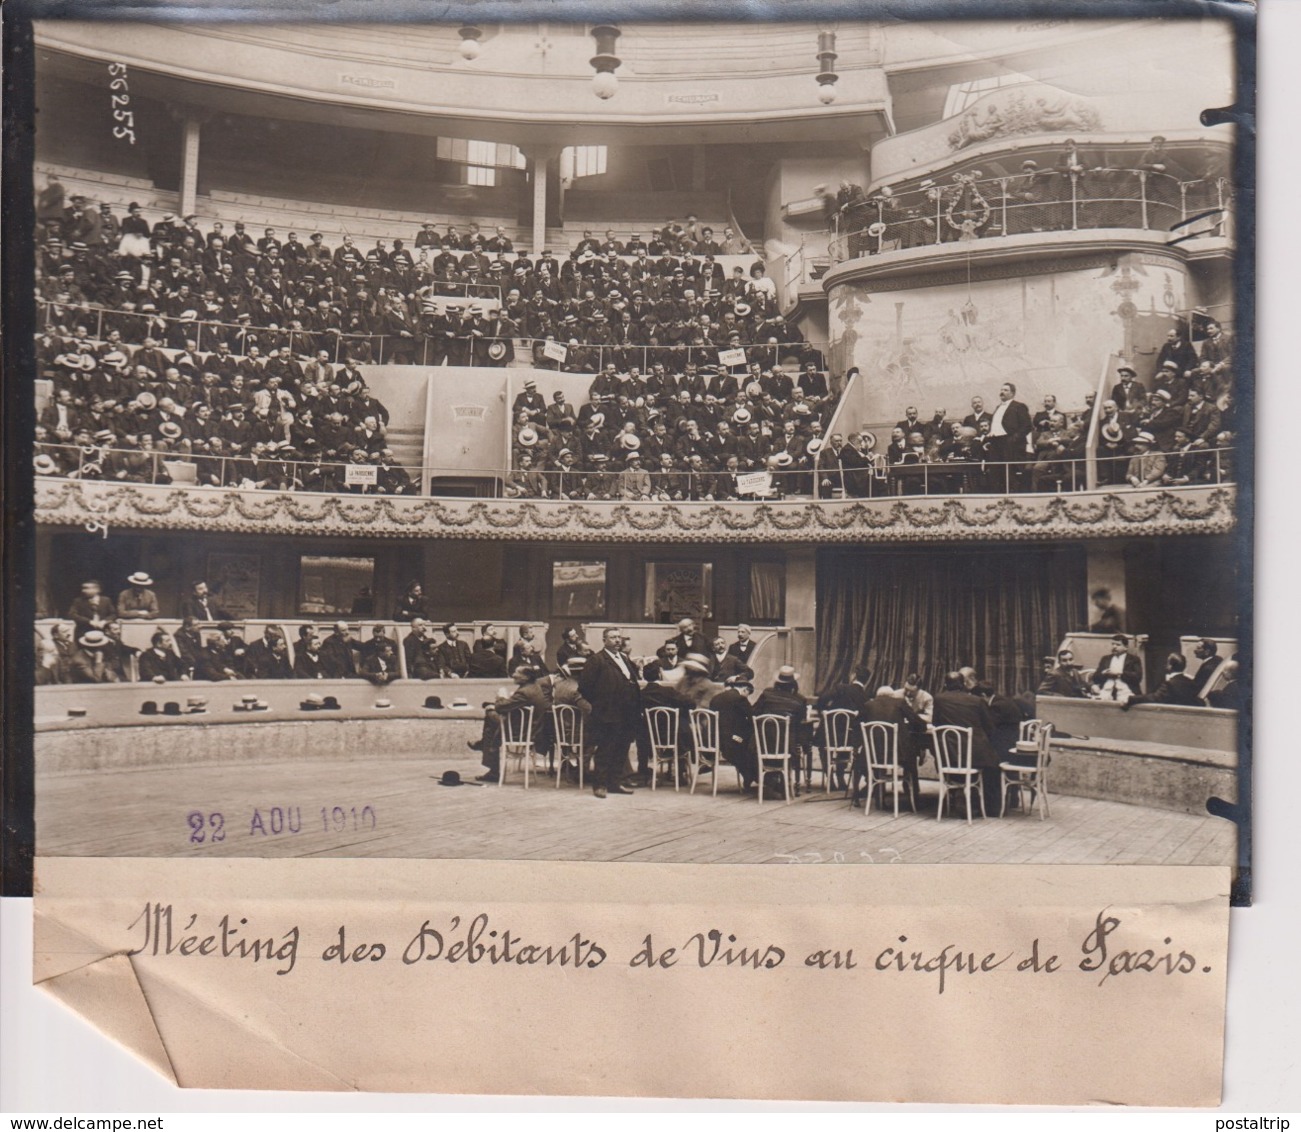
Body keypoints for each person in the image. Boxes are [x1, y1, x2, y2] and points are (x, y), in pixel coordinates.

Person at [577, 627, 643, 798]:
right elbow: (585, 687)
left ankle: (615, 783)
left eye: (618, 637)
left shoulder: (624, 658)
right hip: (607, 714)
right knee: (605, 749)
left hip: (627, 714)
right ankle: (599, 785)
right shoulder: (596, 660)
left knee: (621, 749)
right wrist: (601, 705)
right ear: (604, 640)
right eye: (613, 637)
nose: (617, 640)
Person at [469, 665, 554, 783]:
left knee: (490, 715)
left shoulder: (524, 692)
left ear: (526, 677)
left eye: (517, 672)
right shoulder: (534, 687)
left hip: (520, 732)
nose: (513, 674)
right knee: (493, 726)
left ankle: (487, 751)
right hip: (531, 728)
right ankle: (485, 745)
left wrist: (500, 697)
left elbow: (501, 707)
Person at [932, 671, 1000, 815]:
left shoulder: (938, 699)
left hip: (949, 755)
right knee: (993, 766)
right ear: (963, 685)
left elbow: (935, 724)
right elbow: (990, 727)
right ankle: (990, 808)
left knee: (948, 761)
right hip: (975, 755)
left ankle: (956, 793)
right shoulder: (977, 701)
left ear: (945, 685)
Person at [753, 666, 812, 796]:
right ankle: (784, 781)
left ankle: (771, 781)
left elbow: (755, 712)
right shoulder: (799, 699)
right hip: (786, 745)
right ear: (793, 683)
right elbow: (801, 720)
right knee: (798, 740)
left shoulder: (767, 694)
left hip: (764, 743)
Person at [1124, 652, 1201, 708]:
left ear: (1170, 666)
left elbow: (1154, 697)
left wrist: (1132, 699)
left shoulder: (1170, 684)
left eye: (1167, 663)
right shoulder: (1191, 682)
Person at [1090, 634, 1143, 700]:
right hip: (1106, 691)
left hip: (1126, 691)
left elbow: (1138, 677)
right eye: (1113, 644)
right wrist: (1103, 673)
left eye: (1118, 645)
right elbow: (1095, 677)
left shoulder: (1133, 659)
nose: (1114, 647)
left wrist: (1119, 674)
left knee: (1126, 701)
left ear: (1126, 647)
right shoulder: (1106, 659)